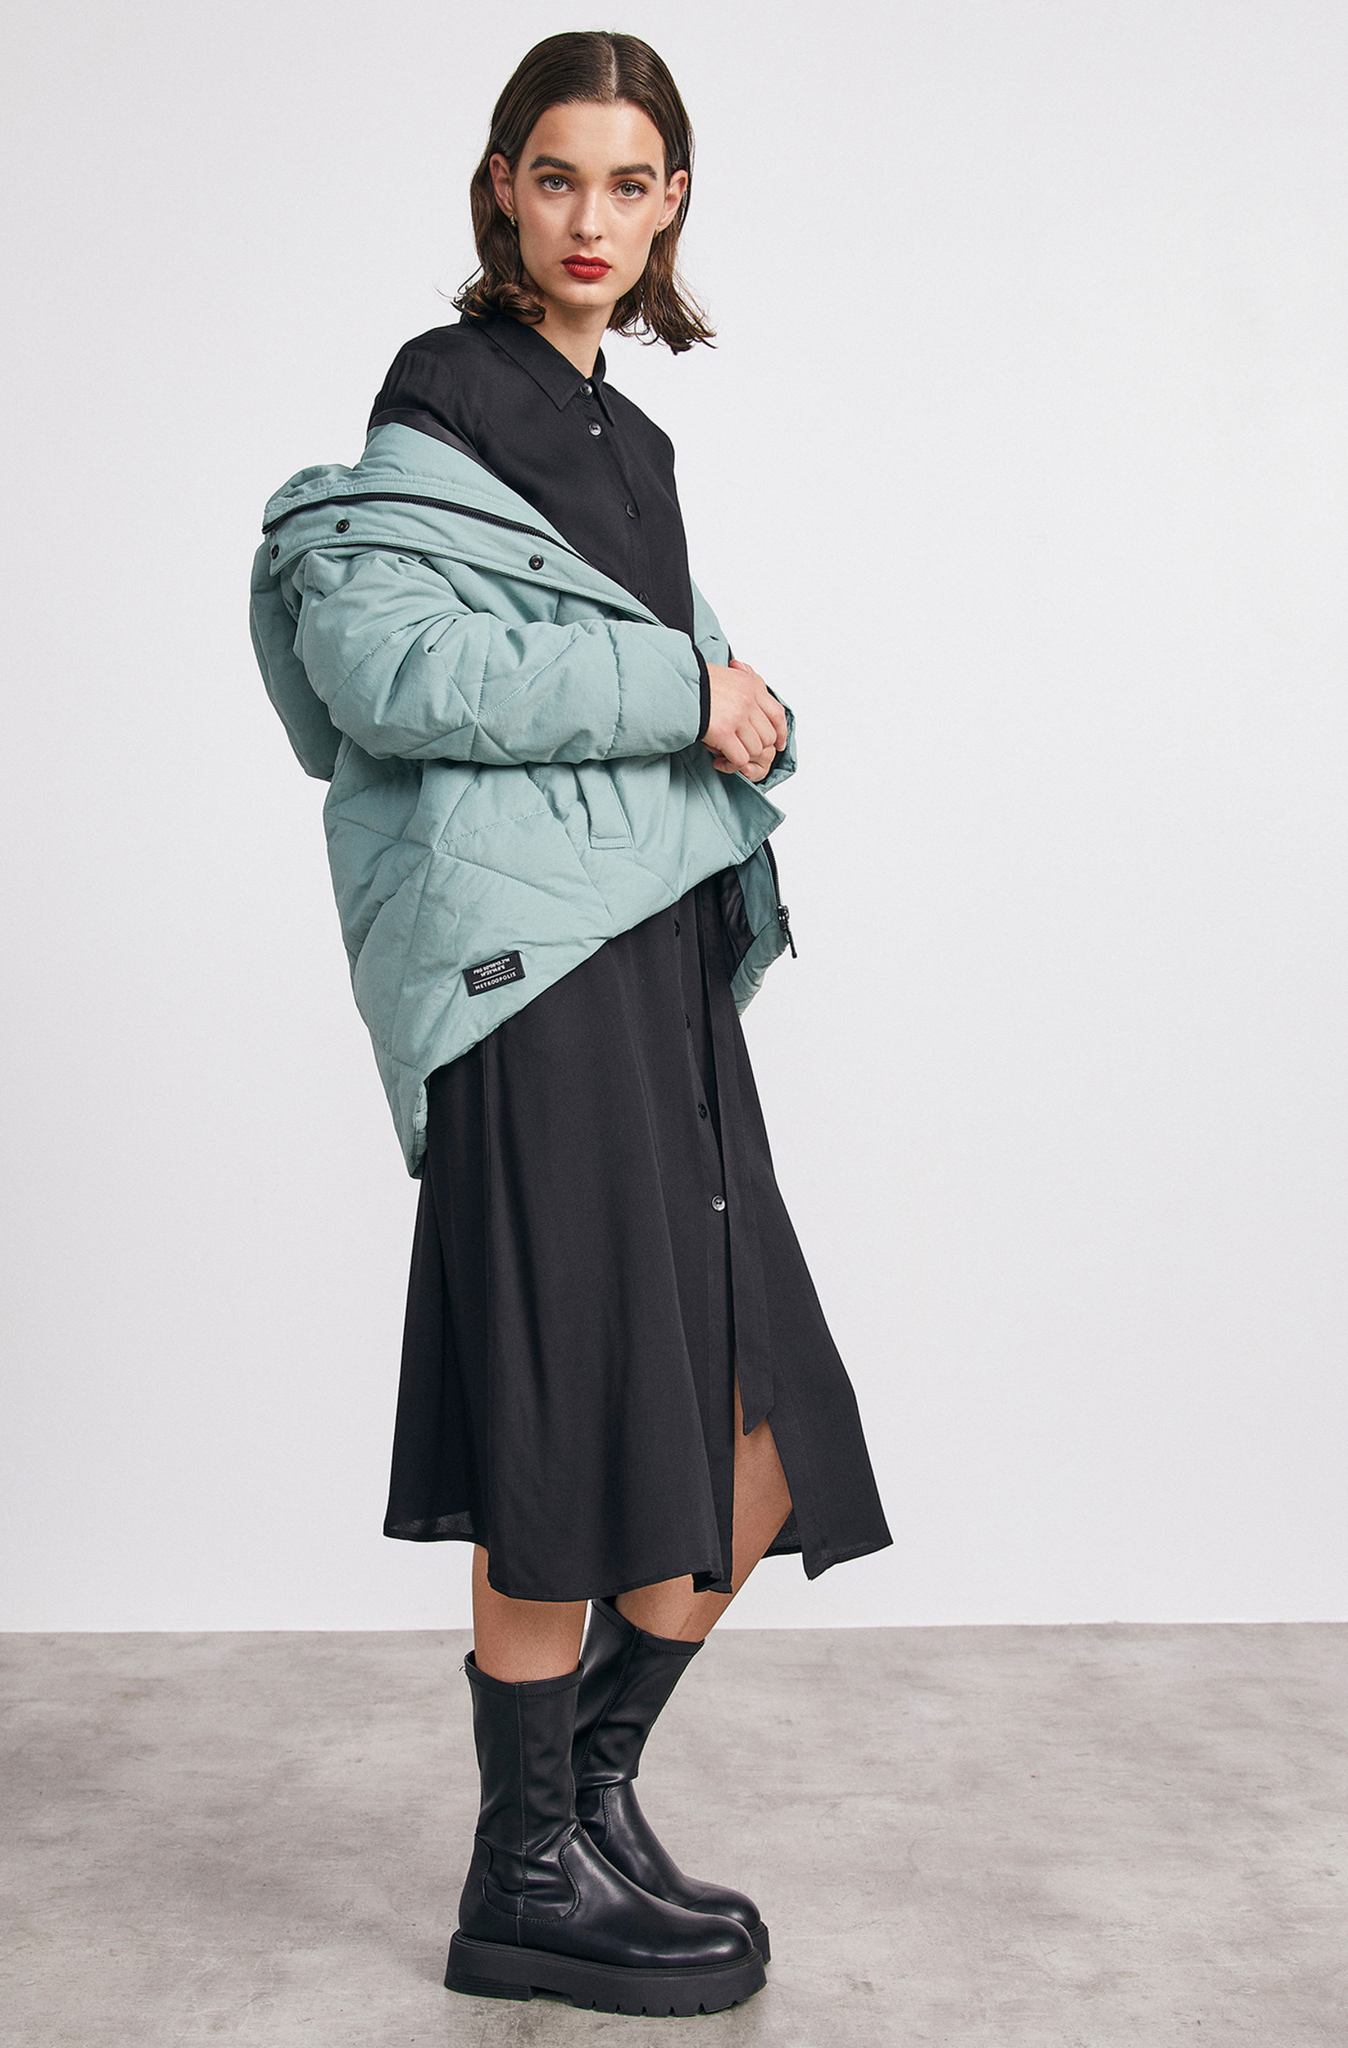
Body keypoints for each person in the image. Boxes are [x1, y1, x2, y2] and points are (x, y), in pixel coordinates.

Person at [249, 29, 892, 2018]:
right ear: (501, 190)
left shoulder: (636, 440)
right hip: (536, 987)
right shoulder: (446, 395)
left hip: (656, 971)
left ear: (672, 201)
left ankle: (583, 1805)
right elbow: (390, 670)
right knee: (563, 1407)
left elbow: (612, 670)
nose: (590, 220)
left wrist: (730, 699)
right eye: (556, 179)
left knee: (762, 1426)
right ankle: (522, 1874)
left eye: (628, 184)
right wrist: (682, 694)